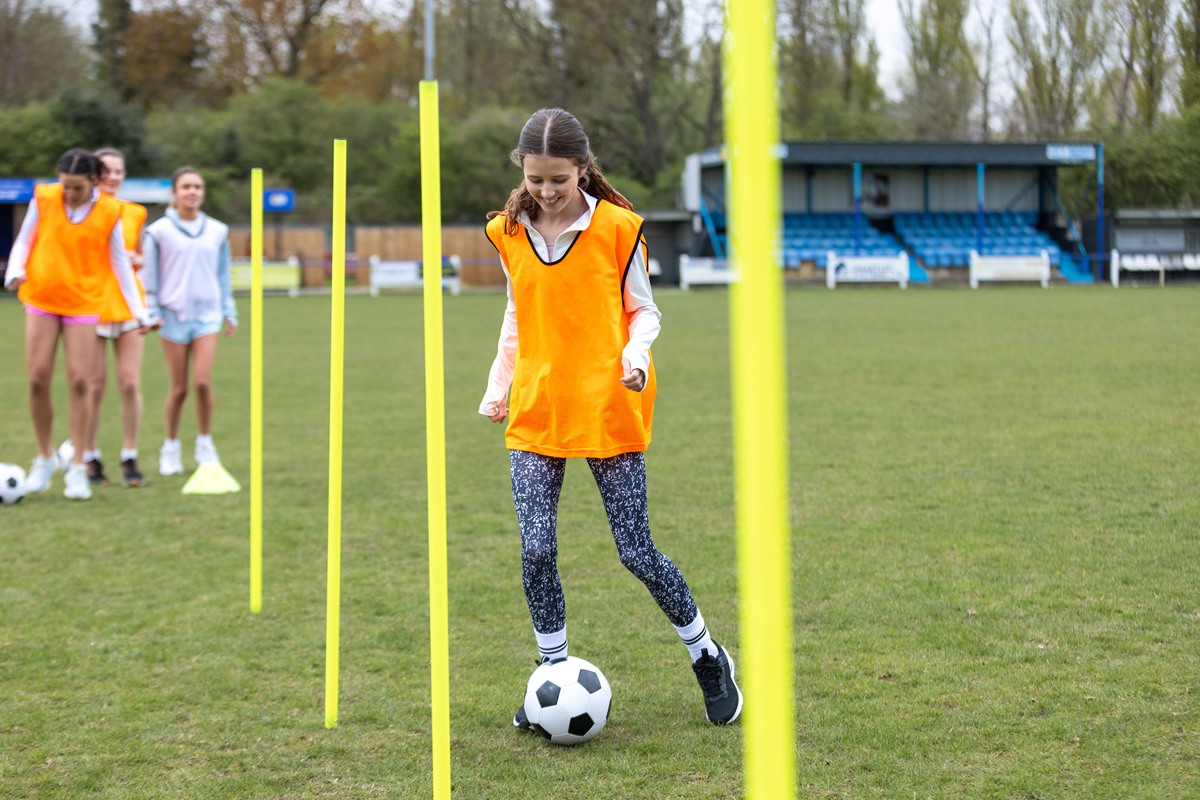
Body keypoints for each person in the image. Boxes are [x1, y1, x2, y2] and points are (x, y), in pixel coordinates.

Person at [480, 108, 743, 727]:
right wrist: (498, 386)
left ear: (582, 170)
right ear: (524, 169)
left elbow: (644, 311)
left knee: (635, 550)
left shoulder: (620, 229)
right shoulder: (507, 232)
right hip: (539, 405)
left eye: (560, 181)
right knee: (536, 549)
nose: (547, 192)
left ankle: (708, 656)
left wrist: (635, 356)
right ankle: (551, 675)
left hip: (607, 401)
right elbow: (518, 316)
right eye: (537, 179)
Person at [3, 149, 150, 500]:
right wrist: (14, 270)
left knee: (81, 381)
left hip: (83, 302)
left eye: (77, 188)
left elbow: (119, 262)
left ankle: (79, 467)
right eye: (65, 186)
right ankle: (44, 457)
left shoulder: (110, 211)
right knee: (37, 380)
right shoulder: (44, 195)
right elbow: (26, 238)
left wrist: (138, 310)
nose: (69, 194)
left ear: (94, 181)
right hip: (41, 296)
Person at [58, 147, 151, 487]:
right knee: (93, 386)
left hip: (127, 305)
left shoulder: (135, 212)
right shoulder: (79, 210)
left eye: (119, 171)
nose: (114, 177)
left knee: (129, 382)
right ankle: (90, 455)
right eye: (107, 171)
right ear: (95, 175)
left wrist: (135, 259)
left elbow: (138, 255)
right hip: (92, 306)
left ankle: (130, 455)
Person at [141, 166, 237, 475]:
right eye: (186, 187)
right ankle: (170, 446)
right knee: (179, 388)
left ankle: (205, 444)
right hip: (171, 315)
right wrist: (151, 311)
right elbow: (150, 275)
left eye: (197, 186)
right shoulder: (158, 232)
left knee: (203, 383)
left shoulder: (218, 231)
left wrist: (228, 309)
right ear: (175, 192)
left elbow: (223, 275)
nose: (192, 192)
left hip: (207, 315)